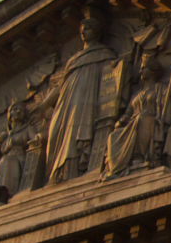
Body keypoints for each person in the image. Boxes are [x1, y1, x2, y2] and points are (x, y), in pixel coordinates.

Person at [44, 15, 118, 182]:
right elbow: (60, 86)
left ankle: (74, 172)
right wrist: (43, 105)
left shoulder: (104, 54)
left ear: (97, 32)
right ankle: (58, 173)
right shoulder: (73, 60)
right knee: (57, 132)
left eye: (89, 29)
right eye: (82, 30)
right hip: (66, 103)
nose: (84, 33)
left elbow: (112, 78)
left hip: (87, 100)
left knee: (77, 133)